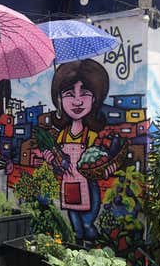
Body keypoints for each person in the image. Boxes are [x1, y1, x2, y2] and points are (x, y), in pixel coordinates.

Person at [43, 59, 116, 243]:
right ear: (59, 99)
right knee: (75, 223)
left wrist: (107, 168)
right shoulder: (62, 135)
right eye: (69, 94)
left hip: (88, 185)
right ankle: (76, 247)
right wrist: (51, 158)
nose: (76, 100)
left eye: (84, 93)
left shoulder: (91, 135)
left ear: (95, 99)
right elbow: (56, 159)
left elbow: (102, 159)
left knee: (87, 223)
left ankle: (89, 243)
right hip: (68, 185)